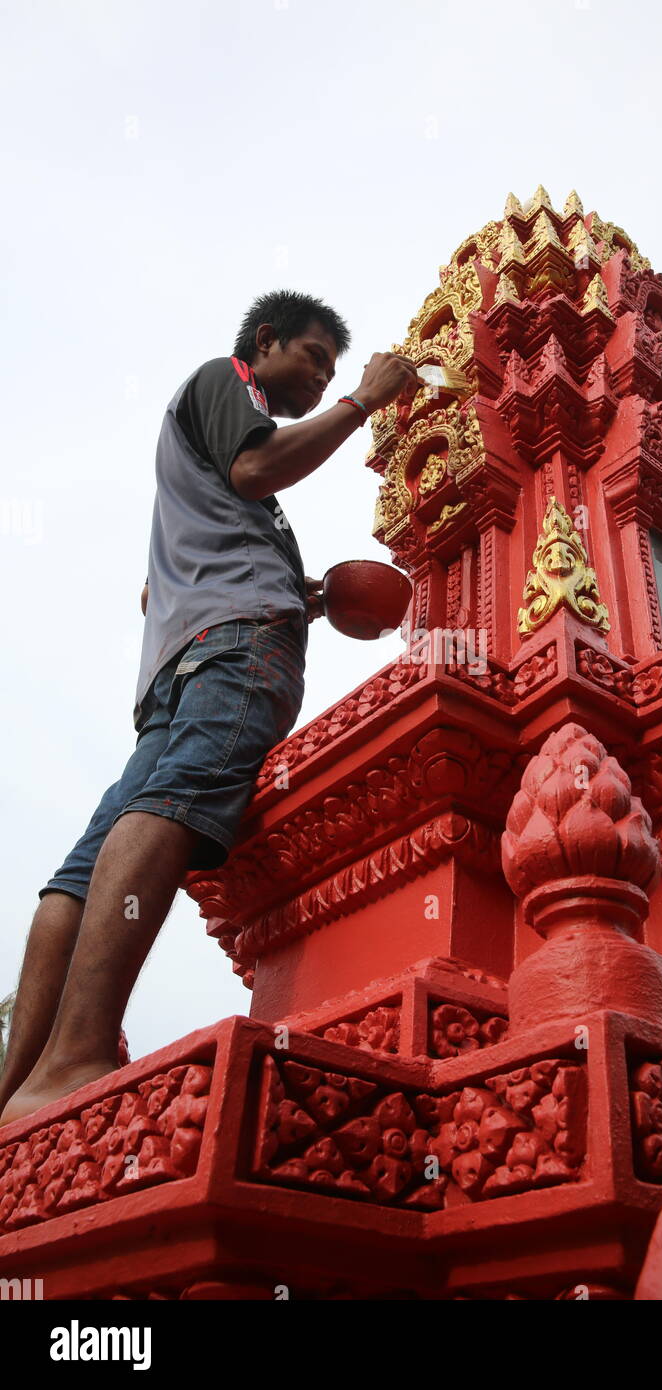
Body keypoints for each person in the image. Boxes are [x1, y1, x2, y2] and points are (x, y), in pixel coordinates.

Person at [0, 289, 422, 1128]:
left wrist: (300, 593)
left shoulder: (197, 477)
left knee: (88, 861)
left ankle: (18, 1090)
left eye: (333, 372)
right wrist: (364, 402)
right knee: (172, 803)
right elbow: (259, 465)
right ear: (264, 345)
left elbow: (170, 573)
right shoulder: (224, 384)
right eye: (312, 359)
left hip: (183, 660)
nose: (321, 378)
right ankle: (77, 1054)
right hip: (234, 655)